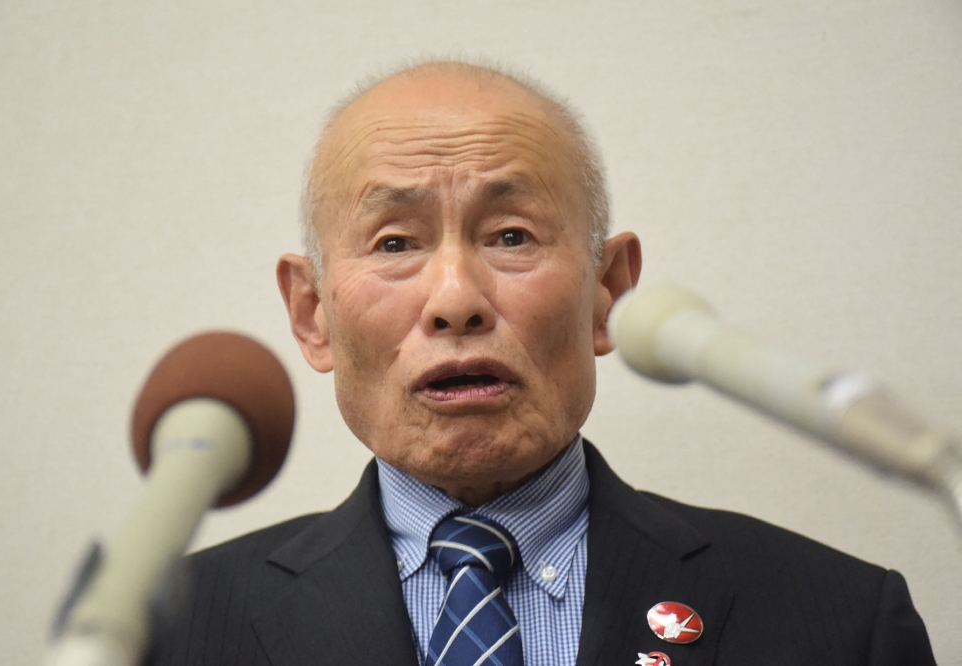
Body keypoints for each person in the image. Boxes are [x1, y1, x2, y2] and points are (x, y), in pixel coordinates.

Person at [149, 60, 935, 666]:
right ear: (312, 314)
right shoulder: (165, 631)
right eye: (395, 243)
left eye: (512, 236)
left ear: (607, 292)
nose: (455, 299)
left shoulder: (838, 620)